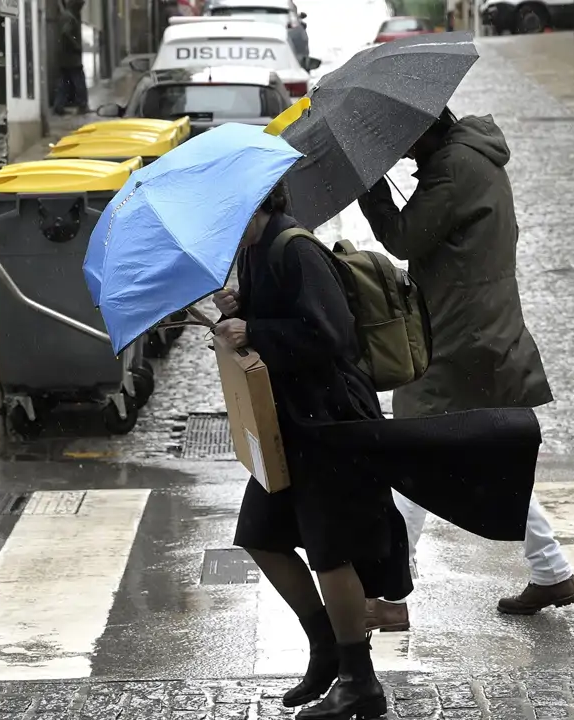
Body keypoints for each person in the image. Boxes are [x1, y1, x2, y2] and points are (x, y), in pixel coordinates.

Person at [356, 108, 574, 632]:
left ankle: (389, 593)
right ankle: (551, 570)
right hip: (477, 330)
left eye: (406, 142)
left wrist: (371, 188)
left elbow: (404, 239)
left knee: (413, 453)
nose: (405, 153)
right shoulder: (467, 157)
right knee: (491, 459)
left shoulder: (455, 167)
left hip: (460, 339)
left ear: (426, 130)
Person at [212, 182, 410, 720]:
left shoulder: (295, 247)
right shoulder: (255, 248)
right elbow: (281, 318)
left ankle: (359, 681)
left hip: (330, 423)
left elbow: (331, 337)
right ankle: (327, 648)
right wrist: (238, 305)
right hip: (287, 426)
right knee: (261, 537)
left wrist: (252, 326)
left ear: (258, 203)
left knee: (330, 551)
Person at [52, 0, 90, 115]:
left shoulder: (65, 16)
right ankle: (82, 105)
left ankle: (58, 106)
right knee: (79, 81)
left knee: (64, 83)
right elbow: (66, 33)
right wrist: (76, 46)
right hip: (72, 58)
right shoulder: (70, 17)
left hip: (64, 58)